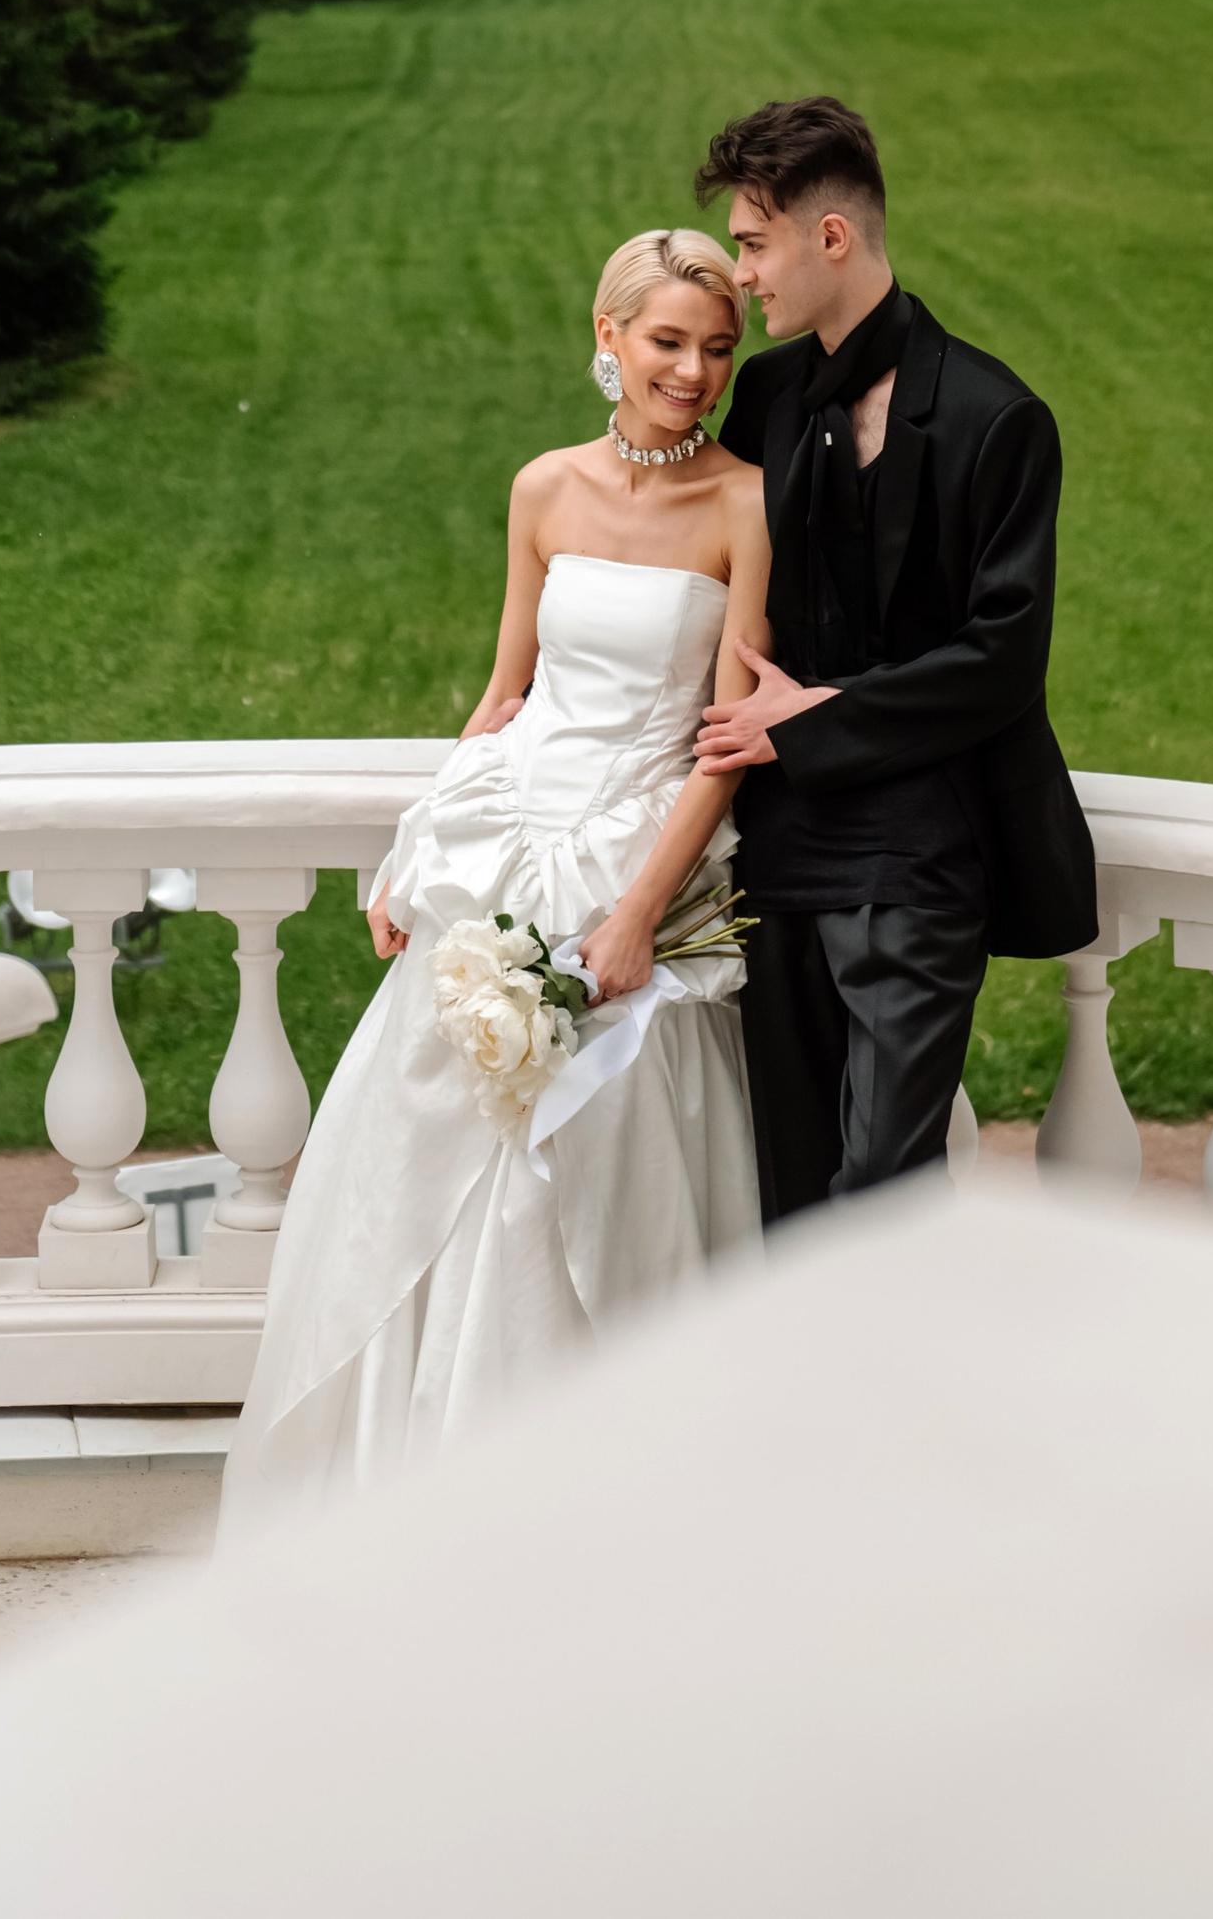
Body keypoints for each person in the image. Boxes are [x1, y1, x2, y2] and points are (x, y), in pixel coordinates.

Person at [224, 230, 765, 1511]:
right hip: (506, 845)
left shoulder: (746, 502)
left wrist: (639, 915)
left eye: (717, 347)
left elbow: (726, 747)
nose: (692, 372)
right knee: (433, 1151)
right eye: (667, 341)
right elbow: (505, 691)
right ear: (607, 334)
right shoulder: (542, 489)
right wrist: (414, 852)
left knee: (588, 1159)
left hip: (635, 860)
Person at [692, 96, 1097, 1215]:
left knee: (883, 1192)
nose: (743, 277)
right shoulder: (763, 397)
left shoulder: (994, 415)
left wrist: (808, 718)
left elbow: (1003, 656)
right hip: (770, 852)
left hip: (916, 860)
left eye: (753, 244)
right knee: (790, 1191)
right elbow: (688, 563)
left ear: (831, 237)